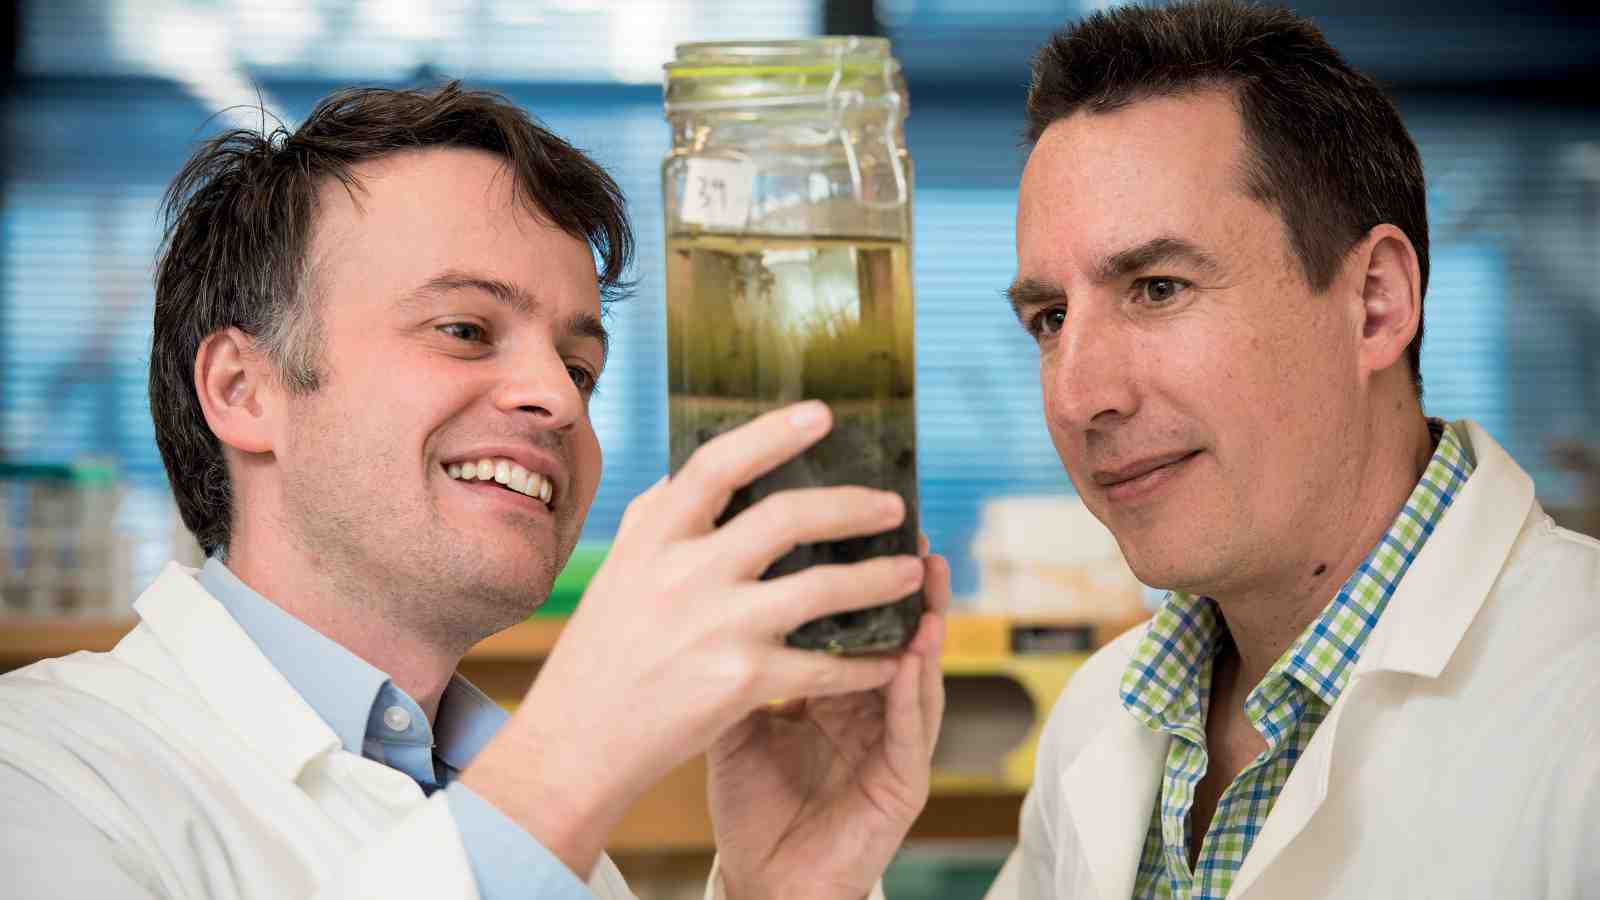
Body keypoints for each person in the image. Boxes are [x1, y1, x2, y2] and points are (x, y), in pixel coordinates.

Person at [0, 82, 949, 900]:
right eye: (464, 329)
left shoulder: (517, 813)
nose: (556, 401)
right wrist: (573, 757)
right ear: (245, 392)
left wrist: (780, 888)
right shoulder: (42, 776)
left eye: (580, 368)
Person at [984, 2, 1600, 898]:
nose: (1080, 396)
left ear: (1376, 303)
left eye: (1158, 288)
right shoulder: (1100, 719)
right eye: (1050, 318)